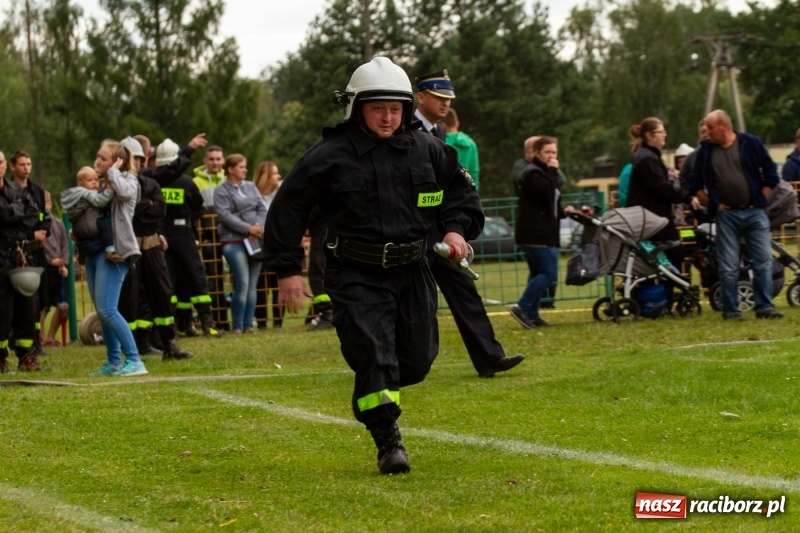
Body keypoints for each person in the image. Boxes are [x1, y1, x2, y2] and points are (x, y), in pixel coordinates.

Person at [265, 57, 484, 475]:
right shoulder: (327, 156)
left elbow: (462, 196)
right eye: (377, 108)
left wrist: (456, 231)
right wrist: (287, 270)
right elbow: (287, 210)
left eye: (395, 108)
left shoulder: (430, 149)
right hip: (355, 274)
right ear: (356, 107)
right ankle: (388, 440)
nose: (387, 118)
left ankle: (375, 380)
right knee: (376, 355)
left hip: (414, 271)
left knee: (416, 361)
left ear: (405, 109)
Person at [416, 69, 525, 379]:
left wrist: (455, 226)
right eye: (439, 97)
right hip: (411, 232)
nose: (445, 103)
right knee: (411, 301)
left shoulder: (438, 134)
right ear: (421, 96)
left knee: (464, 290)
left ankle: (489, 357)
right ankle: (401, 361)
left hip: (438, 231)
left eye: (448, 98)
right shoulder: (406, 130)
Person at [686, 109, 782, 320]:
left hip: (754, 212)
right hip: (726, 215)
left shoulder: (751, 143)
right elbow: (694, 184)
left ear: (724, 127)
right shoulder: (706, 152)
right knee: (728, 264)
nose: (706, 132)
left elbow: (771, 173)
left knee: (763, 261)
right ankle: (731, 310)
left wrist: (761, 199)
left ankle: (764, 306)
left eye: (710, 128)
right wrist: (713, 203)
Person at [117, 136, 193, 361]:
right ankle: (132, 347)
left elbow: (159, 211)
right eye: (131, 159)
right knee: (130, 298)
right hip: (129, 248)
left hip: (152, 246)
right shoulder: (119, 187)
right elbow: (128, 213)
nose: (135, 163)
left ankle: (169, 344)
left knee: (162, 292)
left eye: (139, 159)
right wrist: (145, 206)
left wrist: (146, 208)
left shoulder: (152, 184)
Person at [84, 139, 148, 376]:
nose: (97, 161)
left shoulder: (129, 181)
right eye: (98, 156)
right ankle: (113, 362)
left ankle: (135, 360)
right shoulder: (97, 184)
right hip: (94, 252)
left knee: (109, 309)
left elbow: (123, 193)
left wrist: (113, 173)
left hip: (116, 253)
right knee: (102, 311)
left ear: (117, 162)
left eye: (103, 158)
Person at [152, 137, 222, 339]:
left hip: (160, 235)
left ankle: (175, 325)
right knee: (195, 276)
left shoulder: (154, 181)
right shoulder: (186, 183)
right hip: (183, 234)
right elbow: (198, 209)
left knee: (169, 280)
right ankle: (206, 323)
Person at [625, 118, 695, 309]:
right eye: (661, 132)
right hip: (653, 219)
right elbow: (661, 188)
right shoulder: (647, 158)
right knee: (674, 253)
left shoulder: (647, 156)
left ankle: (659, 298)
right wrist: (687, 196)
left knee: (656, 258)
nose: (665, 135)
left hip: (651, 218)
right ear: (649, 135)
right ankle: (664, 298)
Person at [510, 136, 574, 328]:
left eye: (554, 152)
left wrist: (564, 212)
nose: (552, 156)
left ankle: (532, 315)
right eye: (547, 152)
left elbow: (548, 203)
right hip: (536, 234)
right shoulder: (532, 173)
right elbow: (546, 191)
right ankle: (522, 307)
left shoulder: (544, 174)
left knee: (538, 273)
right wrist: (553, 170)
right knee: (548, 273)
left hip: (544, 232)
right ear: (537, 153)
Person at [214, 154, 266, 335]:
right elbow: (225, 215)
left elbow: (262, 207)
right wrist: (247, 228)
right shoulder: (221, 191)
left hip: (255, 239)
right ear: (230, 169)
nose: (245, 169)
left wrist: (257, 227)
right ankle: (237, 325)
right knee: (242, 283)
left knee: (253, 284)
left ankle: (248, 324)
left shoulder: (251, 187)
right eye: (241, 167)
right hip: (233, 241)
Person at [0, 159, 42, 372]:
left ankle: (26, 356)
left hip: (20, 253)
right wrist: (15, 212)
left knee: (28, 307)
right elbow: (4, 215)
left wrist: (11, 214)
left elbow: (33, 214)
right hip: (0, 256)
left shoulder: (16, 189)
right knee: (2, 309)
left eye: (0, 162)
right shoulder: (17, 195)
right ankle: (0, 357)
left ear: (5, 165)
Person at [10, 151, 51, 361]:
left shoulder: (37, 191)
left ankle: (35, 339)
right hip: (17, 250)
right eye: (22, 164)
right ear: (12, 167)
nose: (26, 168)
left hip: (37, 250)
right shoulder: (9, 191)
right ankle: (20, 341)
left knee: (41, 298)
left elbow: (45, 217)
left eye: (29, 164)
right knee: (20, 301)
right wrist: (29, 235)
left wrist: (44, 232)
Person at [193, 145, 229, 330]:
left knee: (233, 279)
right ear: (205, 161)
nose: (215, 162)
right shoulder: (196, 183)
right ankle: (216, 320)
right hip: (208, 236)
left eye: (218, 159)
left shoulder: (228, 179)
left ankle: (229, 319)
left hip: (229, 233)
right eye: (212, 159)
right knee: (213, 278)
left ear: (223, 161)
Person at [251, 161, 284, 329]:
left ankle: (278, 322)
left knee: (278, 282)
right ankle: (262, 321)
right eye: (274, 173)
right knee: (261, 284)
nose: (278, 177)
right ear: (265, 176)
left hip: (278, 243)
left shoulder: (281, 193)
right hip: (259, 242)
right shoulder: (252, 194)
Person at [41, 191, 70, 348]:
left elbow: (65, 246)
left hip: (59, 270)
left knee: (62, 305)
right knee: (43, 305)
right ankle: (41, 337)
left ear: (50, 204)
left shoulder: (58, 224)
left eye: (46, 203)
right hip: (44, 268)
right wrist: (50, 261)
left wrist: (63, 264)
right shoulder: (36, 225)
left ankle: (51, 337)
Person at [442, 108, 480, 189]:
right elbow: (474, 173)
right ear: (457, 124)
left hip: (446, 193)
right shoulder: (471, 143)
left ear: (442, 124)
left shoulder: (442, 142)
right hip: (466, 192)